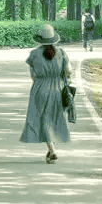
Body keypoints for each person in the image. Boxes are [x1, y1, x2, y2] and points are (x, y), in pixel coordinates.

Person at [20, 22, 72, 163]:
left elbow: (33, 75)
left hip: (40, 89)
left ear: (40, 39)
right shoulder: (61, 53)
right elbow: (69, 71)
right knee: (53, 119)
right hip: (58, 89)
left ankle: (52, 151)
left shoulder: (34, 54)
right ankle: (51, 151)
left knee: (43, 119)